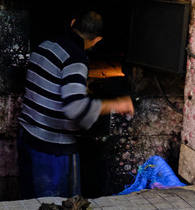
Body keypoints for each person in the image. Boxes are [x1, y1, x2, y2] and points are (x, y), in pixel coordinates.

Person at [17, 11, 135, 199]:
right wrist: (118, 104)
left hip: (28, 136)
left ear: (72, 23)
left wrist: (83, 86)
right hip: (52, 148)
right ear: (97, 39)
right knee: (59, 209)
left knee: (30, 204)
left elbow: (49, 83)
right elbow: (75, 109)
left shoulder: (45, 46)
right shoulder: (76, 58)